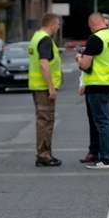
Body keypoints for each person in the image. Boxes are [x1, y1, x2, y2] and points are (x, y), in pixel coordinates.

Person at [76, 12, 109, 169]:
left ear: (92, 24)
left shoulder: (95, 39)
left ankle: (106, 158)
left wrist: (79, 58)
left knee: (102, 122)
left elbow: (85, 65)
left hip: (97, 85)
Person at [28, 13, 63, 167]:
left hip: (37, 86)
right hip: (43, 88)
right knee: (45, 121)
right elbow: (43, 64)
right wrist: (51, 87)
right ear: (52, 24)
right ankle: (44, 155)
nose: (58, 27)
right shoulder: (45, 40)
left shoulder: (36, 37)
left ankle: (44, 153)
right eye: (57, 24)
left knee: (44, 120)